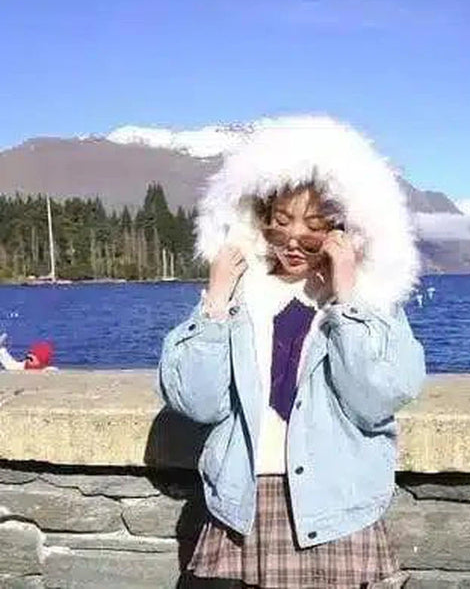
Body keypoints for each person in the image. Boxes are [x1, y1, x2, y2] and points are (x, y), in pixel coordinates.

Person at [158, 115, 426, 588]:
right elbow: (198, 401)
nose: (293, 242)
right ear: (259, 218)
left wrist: (347, 297)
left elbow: (377, 398)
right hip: (242, 504)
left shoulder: (371, 303)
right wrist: (215, 300)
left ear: (345, 227)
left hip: (334, 508)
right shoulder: (239, 296)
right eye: (280, 224)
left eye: (314, 227)